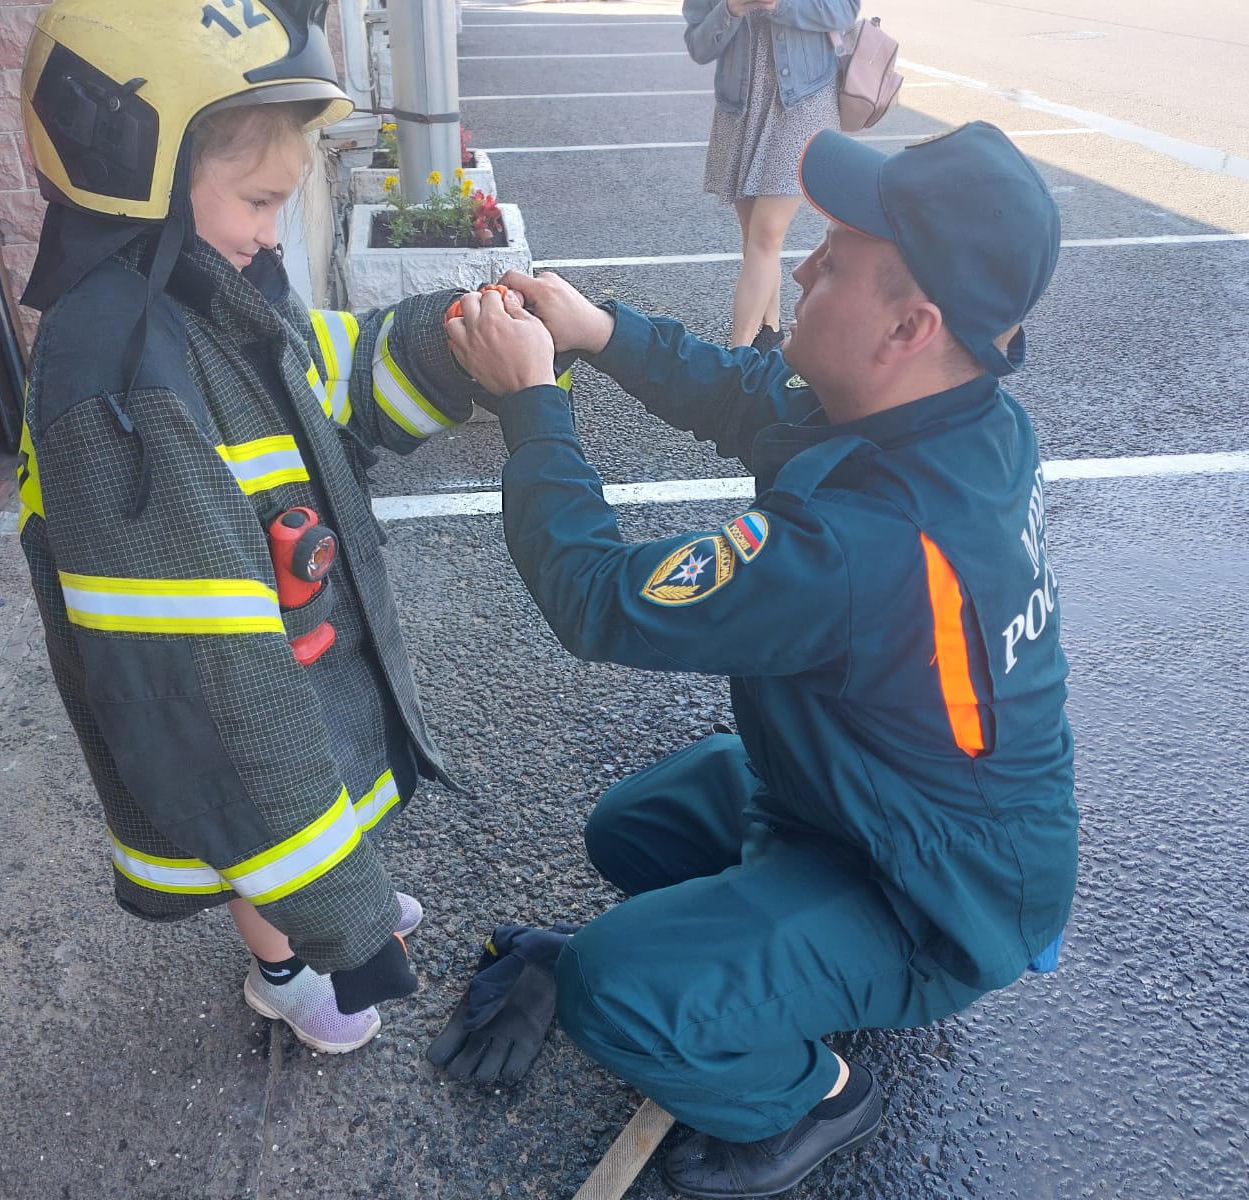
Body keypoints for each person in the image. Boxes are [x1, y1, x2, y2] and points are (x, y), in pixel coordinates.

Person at [446, 122, 1076, 1197]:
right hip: (868, 810)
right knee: (634, 829)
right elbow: (752, 397)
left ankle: (814, 1097)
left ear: (909, 327)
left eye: (832, 262)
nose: (801, 266)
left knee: (609, 987)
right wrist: (599, 332)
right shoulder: (951, 419)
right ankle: (757, 964)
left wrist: (531, 403)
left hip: (933, 895)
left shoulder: (863, 550)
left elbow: (598, 602)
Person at [16, 0, 518, 1055]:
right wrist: (343, 927)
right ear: (133, 162)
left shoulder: (206, 287)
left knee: (308, 786)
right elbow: (210, 699)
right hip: (240, 704)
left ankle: (335, 894)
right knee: (258, 831)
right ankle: (286, 971)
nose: (268, 232)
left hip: (294, 649)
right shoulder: (120, 387)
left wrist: (455, 343)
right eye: (256, 200)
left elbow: (319, 378)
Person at [684, 0, 858, 351]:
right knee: (755, 239)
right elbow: (700, 45)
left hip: (804, 102)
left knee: (766, 235)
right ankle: (770, 334)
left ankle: (738, 357)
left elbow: (844, 11)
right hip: (741, 107)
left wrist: (780, 5)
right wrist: (732, 9)